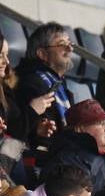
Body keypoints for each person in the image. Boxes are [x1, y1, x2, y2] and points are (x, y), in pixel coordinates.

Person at [10, 22, 74, 150]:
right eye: (62, 44)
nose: (70, 49)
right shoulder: (30, 81)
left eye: (70, 43)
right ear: (42, 54)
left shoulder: (56, 81)